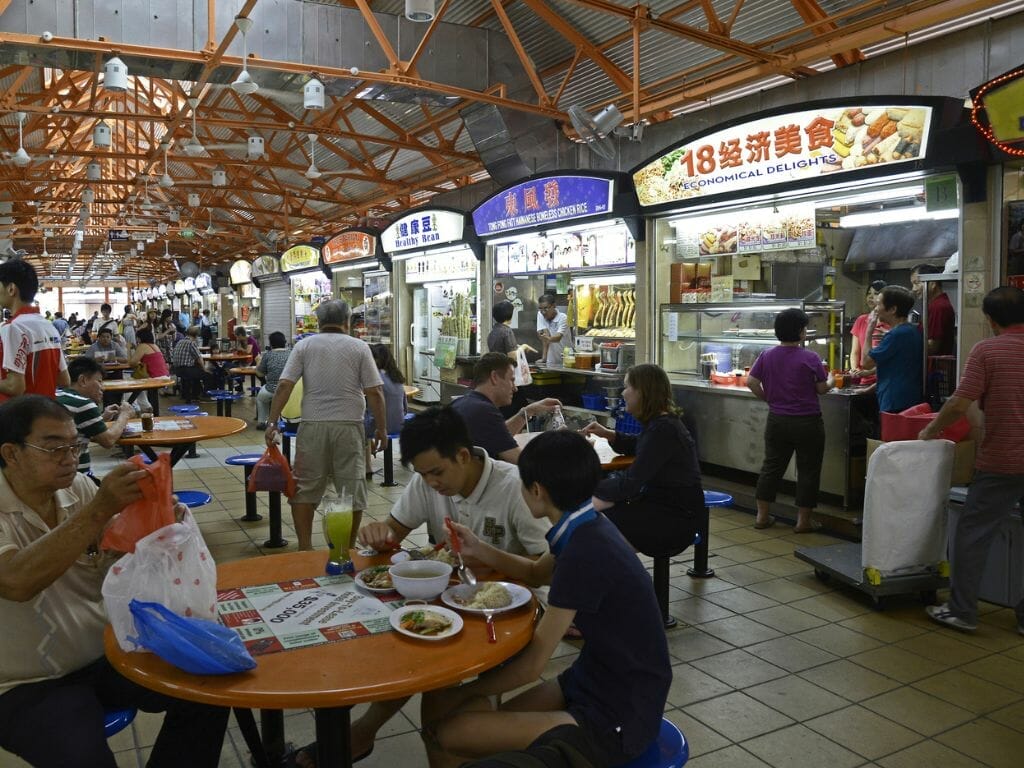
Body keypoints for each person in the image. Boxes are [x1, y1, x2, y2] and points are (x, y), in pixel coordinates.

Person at [0, 395, 229, 766]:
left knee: (208, 688)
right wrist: (101, 509)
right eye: (54, 447)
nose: (69, 457)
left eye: (75, 445)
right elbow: (15, 582)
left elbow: (127, 553)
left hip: (107, 655)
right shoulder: (84, 500)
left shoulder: (80, 490)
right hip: (26, 684)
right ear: (11, 454)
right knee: (81, 754)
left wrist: (160, 522)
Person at [420, 430, 671, 767]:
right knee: (457, 716)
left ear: (536, 490)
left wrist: (462, 690)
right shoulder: (584, 524)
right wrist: (478, 547)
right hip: (594, 681)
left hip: (618, 716)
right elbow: (537, 573)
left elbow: (532, 665)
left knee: (453, 731)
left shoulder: (584, 552)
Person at [342, 407, 550, 767]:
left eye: (437, 472)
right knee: (412, 645)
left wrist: (490, 558)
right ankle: (368, 732)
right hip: (450, 602)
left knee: (434, 674)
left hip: (511, 610)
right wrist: (380, 536)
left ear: (463, 455)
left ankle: (368, 732)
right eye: (423, 474)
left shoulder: (514, 487)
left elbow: (546, 571)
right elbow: (395, 531)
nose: (432, 482)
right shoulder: (427, 482)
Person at [920, 286, 1024, 636]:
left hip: (1003, 459)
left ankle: (962, 610)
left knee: (972, 533)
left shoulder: (988, 349)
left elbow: (960, 402)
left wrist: (931, 429)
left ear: (991, 320)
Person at [264, 300, 387, 551]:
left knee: (305, 488)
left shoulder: (304, 346)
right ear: (347, 322)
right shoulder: (359, 347)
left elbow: (285, 385)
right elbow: (374, 392)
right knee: (351, 488)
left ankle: (305, 548)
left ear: (318, 322)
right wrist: (382, 430)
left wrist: (272, 422)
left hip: (312, 425)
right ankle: (346, 548)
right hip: (349, 425)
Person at [582, 364, 704, 555]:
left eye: (627, 387)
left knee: (593, 520)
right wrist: (609, 434)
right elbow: (640, 447)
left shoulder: (663, 430)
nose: (623, 393)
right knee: (598, 511)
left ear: (642, 392)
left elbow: (630, 484)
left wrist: (588, 487)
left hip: (674, 520)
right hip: (667, 508)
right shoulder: (662, 423)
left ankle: (611, 573)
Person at [746, 309, 834, 532]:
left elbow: (751, 382)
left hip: (777, 420)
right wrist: (832, 380)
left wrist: (770, 399)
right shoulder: (811, 357)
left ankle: (762, 517)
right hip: (808, 422)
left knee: (771, 467)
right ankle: (803, 522)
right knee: (808, 470)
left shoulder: (767, 355)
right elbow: (822, 389)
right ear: (802, 332)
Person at [450, 352, 561, 464]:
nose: (515, 388)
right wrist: (556, 441)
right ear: (494, 377)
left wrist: (528, 411)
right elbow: (524, 463)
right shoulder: (485, 411)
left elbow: (497, 435)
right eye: (511, 380)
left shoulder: (462, 403)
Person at [0, 260, 70, 402]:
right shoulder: (48, 326)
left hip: (19, 416)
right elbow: (64, 379)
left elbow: (15, 387)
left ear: (11, 289)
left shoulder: (13, 327)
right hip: (46, 413)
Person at [56, 357, 134, 475]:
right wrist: (125, 414)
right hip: (76, 477)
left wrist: (101, 418)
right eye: (99, 381)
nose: (103, 388)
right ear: (82, 380)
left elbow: (78, 431)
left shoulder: (58, 394)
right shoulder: (83, 404)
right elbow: (108, 440)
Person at [856, 285, 924, 413]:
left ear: (892, 309)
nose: (875, 309)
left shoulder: (896, 335)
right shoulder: (911, 331)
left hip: (894, 401)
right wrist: (868, 390)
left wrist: (870, 329)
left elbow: (865, 362)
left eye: (878, 304)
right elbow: (894, 369)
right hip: (908, 398)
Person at [363, 343, 407, 478]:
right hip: (398, 424)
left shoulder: (374, 378)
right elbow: (405, 408)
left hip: (380, 427)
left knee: (355, 424)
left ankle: (367, 467)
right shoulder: (397, 377)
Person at [849, 280, 889, 389]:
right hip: (864, 380)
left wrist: (869, 372)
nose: (871, 297)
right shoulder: (861, 320)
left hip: (884, 379)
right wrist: (854, 369)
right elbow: (855, 352)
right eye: (869, 293)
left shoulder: (890, 322)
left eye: (876, 294)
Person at [911, 264, 956, 355]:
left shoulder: (938, 307)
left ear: (932, 284)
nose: (914, 289)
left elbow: (932, 347)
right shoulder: (936, 304)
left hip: (935, 367)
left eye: (917, 283)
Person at [171, 326, 217, 404]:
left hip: (177, 370)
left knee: (196, 373)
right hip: (186, 369)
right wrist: (204, 369)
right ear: (196, 335)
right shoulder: (191, 343)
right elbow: (199, 358)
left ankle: (193, 395)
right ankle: (205, 396)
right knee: (208, 375)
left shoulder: (180, 341)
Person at [129, 327, 170, 413]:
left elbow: (131, 363)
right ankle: (147, 407)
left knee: (131, 383)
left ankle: (129, 405)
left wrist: (128, 349)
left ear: (139, 338)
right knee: (138, 384)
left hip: (154, 377)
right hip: (164, 376)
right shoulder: (154, 346)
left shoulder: (142, 346)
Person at [255, 331, 290, 429]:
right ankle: (282, 420)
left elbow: (260, 373)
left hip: (270, 389)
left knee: (261, 399)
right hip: (288, 389)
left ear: (270, 344)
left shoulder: (268, 355)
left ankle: (262, 422)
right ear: (284, 342)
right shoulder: (291, 353)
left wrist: (258, 361)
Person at [536, 293, 568, 367]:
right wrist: (544, 358)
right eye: (540, 308)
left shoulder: (563, 318)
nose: (543, 312)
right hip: (550, 361)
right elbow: (544, 336)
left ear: (554, 306)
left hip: (566, 360)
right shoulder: (540, 314)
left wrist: (548, 338)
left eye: (546, 308)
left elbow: (558, 338)